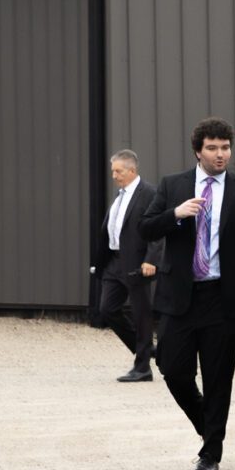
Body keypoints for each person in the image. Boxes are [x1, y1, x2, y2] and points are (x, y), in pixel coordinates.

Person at [139, 116, 235, 470]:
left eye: (225, 147)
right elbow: (146, 227)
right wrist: (175, 214)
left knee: (217, 377)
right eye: (212, 148)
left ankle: (211, 451)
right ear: (198, 151)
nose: (220, 154)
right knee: (173, 368)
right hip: (179, 295)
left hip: (223, 297)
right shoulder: (173, 185)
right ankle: (207, 424)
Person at [92, 148, 157, 382]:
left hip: (137, 263)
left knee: (141, 315)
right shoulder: (121, 195)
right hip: (114, 262)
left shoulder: (148, 193)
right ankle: (146, 351)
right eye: (113, 171)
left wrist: (151, 259)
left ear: (132, 170)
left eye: (118, 171)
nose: (114, 175)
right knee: (107, 309)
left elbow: (157, 229)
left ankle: (143, 368)